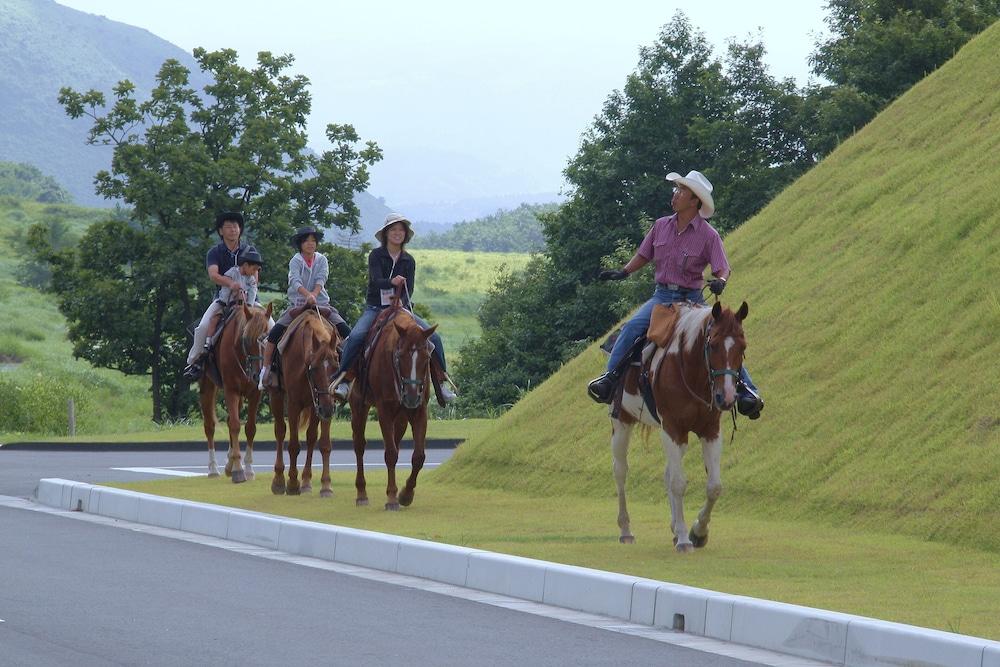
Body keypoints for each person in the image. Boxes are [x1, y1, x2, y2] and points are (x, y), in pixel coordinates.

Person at [586, 170, 764, 419]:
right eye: (676, 190)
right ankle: (609, 380)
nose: (675, 195)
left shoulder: (708, 235)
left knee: (722, 338)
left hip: (692, 300)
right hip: (662, 298)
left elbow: (723, 267)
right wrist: (623, 272)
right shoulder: (660, 226)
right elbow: (644, 255)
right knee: (631, 329)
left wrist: (720, 281)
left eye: (682, 191)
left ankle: (748, 393)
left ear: (694, 201)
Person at [329, 213, 456, 405]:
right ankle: (344, 380)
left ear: (405, 235)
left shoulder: (409, 260)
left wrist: (401, 302)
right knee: (355, 336)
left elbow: (409, 288)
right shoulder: (376, 255)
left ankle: (441, 383)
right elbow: (375, 280)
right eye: (394, 230)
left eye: (401, 230)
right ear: (386, 233)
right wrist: (392, 281)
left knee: (434, 338)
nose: (398, 233)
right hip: (376, 307)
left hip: (401, 308)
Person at [258, 225, 352, 389]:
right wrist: (306, 295)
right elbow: (295, 281)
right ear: (300, 244)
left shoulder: (322, 259)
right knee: (274, 334)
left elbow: (321, 279)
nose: (310, 244)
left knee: (346, 332)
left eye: (313, 241)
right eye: (307, 241)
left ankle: (346, 374)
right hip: (298, 304)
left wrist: (313, 295)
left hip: (321, 303)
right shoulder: (296, 260)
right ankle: (266, 371)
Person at [184, 211, 254, 381]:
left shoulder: (248, 250)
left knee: (270, 326)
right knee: (202, 327)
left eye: (236, 226)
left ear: (240, 230)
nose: (233, 230)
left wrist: (245, 288)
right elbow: (213, 275)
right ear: (221, 231)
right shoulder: (214, 252)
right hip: (223, 299)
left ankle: (272, 365)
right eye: (228, 227)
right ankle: (195, 362)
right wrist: (231, 284)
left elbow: (255, 273)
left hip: (248, 299)